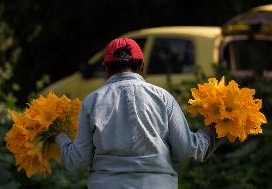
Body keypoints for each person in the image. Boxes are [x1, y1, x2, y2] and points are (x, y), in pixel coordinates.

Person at [55, 38, 215, 189]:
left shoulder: (92, 101)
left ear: (105, 68)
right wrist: (212, 131)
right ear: (142, 66)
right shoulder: (163, 97)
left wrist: (58, 136)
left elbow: (78, 161)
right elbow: (187, 149)